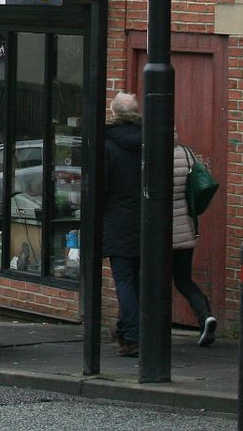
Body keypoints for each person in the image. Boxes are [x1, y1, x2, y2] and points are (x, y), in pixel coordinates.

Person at [102, 91, 143, 357]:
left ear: (114, 113)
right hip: (147, 219)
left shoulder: (107, 144)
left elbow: (102, 186)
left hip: (118, 220)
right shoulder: (149, 140)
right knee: (139, 280)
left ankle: (132, 336)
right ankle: (125, 328)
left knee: (125, 280)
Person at [172, 143, 220, 346]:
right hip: (186, 228)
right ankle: (205, 317)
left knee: (150, 282)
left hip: (158, 231)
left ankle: (147, 328)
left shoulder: (150, 153)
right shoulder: (187, 153)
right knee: (184, 280)